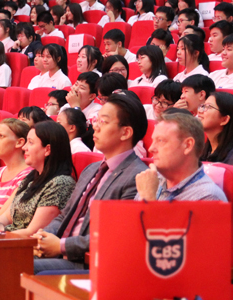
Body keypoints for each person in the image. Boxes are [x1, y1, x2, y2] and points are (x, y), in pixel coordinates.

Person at [32, 94, 149, 273]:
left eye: (103, 121)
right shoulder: (91, 169)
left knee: (19, 267)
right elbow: (65, 216)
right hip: (60, 252)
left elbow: (115, 237)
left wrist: (61, 246)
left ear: (125, 132)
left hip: (89, 263)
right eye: (96, 120)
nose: (95, 126)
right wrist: (43, 237)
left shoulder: (137, 177)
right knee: (3, 258)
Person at [0, 121, 75, 236]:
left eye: (30, 142)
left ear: (47, 150)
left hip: (24, 244)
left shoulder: (60, 184)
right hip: (8, 238)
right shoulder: (32, 177)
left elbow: (32, 233)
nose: (24, 147)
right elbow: (6, 217)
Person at [136, 112, 228, 201]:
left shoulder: (208, 197)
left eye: (160, 140)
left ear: (187, 145)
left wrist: (147, 198)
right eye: (153, 141)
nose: (151, 149)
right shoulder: (152, 180)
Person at [195, 91, 233, 171]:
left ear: (225, 119)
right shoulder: (205, 149)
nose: (200, 111)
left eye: (208, 107)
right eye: (202, 106)